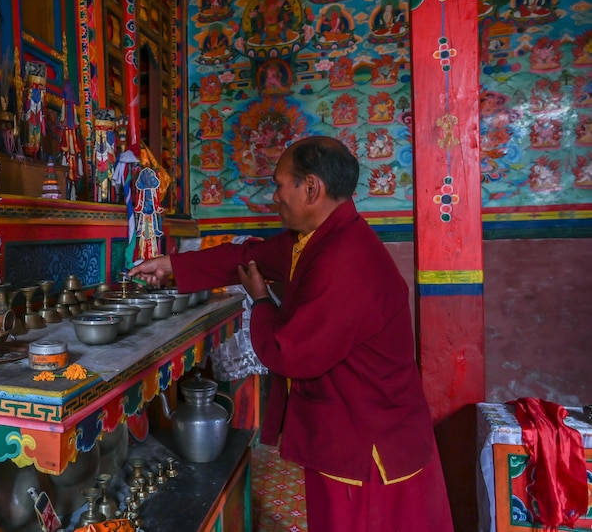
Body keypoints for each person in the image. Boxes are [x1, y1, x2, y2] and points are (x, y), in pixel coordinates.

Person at [129, 136, 454, 531]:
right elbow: (245, 256)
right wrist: (171, 266)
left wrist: (262, 301)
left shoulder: (345, 260)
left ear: (311, 188)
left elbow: (290, 354)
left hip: (368, 444)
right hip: (346, 425)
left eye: (280, 184)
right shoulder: (317, 239)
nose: (274, 196)